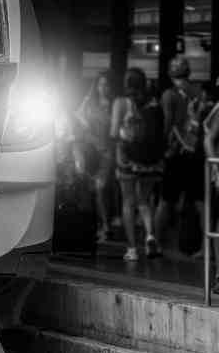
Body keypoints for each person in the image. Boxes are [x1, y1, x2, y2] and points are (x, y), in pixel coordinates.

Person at [112, 67, 165, 261]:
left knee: (128, 202)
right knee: (144, 200)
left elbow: (113, 132)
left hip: (127, 159)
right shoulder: (154, 103)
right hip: (151, 162)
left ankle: (132, 249)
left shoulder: (121, 102)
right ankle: (150, 236)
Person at [159, 55, 205, 254]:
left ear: (170, 74)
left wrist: (161, 146)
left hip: (175, 153)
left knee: (165, 201)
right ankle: (205, 248)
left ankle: (157, 243)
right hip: (195, 152)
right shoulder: (199, 92)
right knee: (200, 203)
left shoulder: (168, 95)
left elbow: (167, 123)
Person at [74, 71, 116, 242]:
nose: (103, 88)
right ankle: (101, 226)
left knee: (101, 188)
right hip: (90, 151)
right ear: (96, 85)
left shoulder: (115, 105)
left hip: (108, 152)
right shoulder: (89, 103)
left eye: (107, 85)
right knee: (93, 189)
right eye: (101, 84)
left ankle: (106, 227)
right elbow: (78, 122)